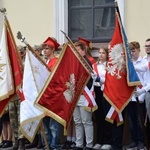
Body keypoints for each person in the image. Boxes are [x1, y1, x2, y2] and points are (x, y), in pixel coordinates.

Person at [42, 37, 63, 150]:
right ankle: (48, 144)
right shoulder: (45, 62)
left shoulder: (56, 62)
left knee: (53, 124)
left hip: (53, 96)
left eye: (47, 48)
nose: (44, 51)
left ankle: (55, 145)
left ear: (52, 49)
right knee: (45, 123)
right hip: (44, 96)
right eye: (44, 49)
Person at [125, 41, 146, 150]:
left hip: (140, 95)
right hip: (130, 97)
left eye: (133, 51)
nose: (132, 53)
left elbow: (145, 79)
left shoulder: (143, 62)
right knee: (131, 120)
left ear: (138, 50)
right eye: (130, 51)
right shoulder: (129, 63)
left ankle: (142, 141)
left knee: (139, 120)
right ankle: (134, 140)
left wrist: (141, 95)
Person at [73, 41, 94, 150]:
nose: (76, 52)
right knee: (77, 121)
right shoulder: (75, 62)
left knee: (86, 121)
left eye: (78, 50)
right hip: (75, 96)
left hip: (84, 95)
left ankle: (89, 145)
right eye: (75, 50)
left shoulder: (86, 62)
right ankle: (79, 144)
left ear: (83, 51)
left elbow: (89, 79)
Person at [92, 47, 112, 150]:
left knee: (106, 117)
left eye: (103, 53)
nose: (100, 55)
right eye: (99, 53)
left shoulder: (109, 66)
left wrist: (100, 79)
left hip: (107, 91)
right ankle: (100, 140)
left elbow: (110, 79)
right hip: (97, 91)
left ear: (107, 54)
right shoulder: (95, 66)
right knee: (99, 117)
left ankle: (108, 141)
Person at [134, 38, 150, 147]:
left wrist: (142, 91)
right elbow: (141, 68)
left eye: (149, 46)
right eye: (146, 46)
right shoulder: (146, 59)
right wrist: (128, 66)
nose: (147, 47)